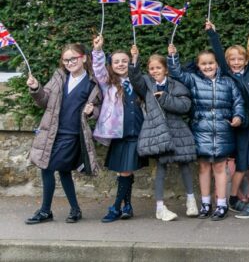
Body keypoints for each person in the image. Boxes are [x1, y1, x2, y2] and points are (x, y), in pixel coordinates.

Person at [206, 16, 249, 220]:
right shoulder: (226, 76)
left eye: (240, 59)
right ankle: (234, 198)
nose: (236, 63)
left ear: (246, 60)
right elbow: (218, 52)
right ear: (227, 63)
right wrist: (212, 33)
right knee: (240, 166)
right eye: (232, 60)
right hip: (237, 130)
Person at [168, 42, 244, 221]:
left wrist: (239, 116)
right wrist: (172, 57)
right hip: (200, 131)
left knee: (219, 167)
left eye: (211, 63)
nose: (208, 66)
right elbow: (176, 73)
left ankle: (222, 204)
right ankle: (205, 203)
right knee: (203, 168)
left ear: (217, 64)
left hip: (223, 131)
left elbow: (238, 102)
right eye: (204, 64)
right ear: (199, 66)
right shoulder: (193, 79)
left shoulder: (228, 82)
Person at [25, 44, 101, 224]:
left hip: (72, 134)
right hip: (53, 132)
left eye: (73, 58)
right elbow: (45, 101)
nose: (69, 62)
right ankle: (74, 210)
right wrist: (36, 88)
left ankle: (45, 211)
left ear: (83, 58)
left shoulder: (93, 83)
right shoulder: (59, 78)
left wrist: (92, 112)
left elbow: (100, 109)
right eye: (66, 60)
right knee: (63, 171)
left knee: (48, 167)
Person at [128, 48, 197, 221]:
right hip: (158, 131)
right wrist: (134, 59)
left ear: (166, 69)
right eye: (151, 68)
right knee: (160, 168)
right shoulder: (146, 84)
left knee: (185, 165)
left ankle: (191, 201)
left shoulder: (176, 85)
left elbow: (185, 106)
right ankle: (160, 207)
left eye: (158, 68)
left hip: (177, 130)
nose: (155, 71)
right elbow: (135, 79)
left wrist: (165, 98)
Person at [91, 35, 147, 223]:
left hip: (135, 132)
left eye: (125, 61)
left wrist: (135, 60)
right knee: (123, 171)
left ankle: (115, 207)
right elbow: (98, 70)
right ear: (111, 64)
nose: (121, 64)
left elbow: (139, 77)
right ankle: (128, 206)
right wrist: (98, 51)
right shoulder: (108, 83)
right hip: (118, 133)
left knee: (125, 171)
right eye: (117, 61)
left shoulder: (137, 81)